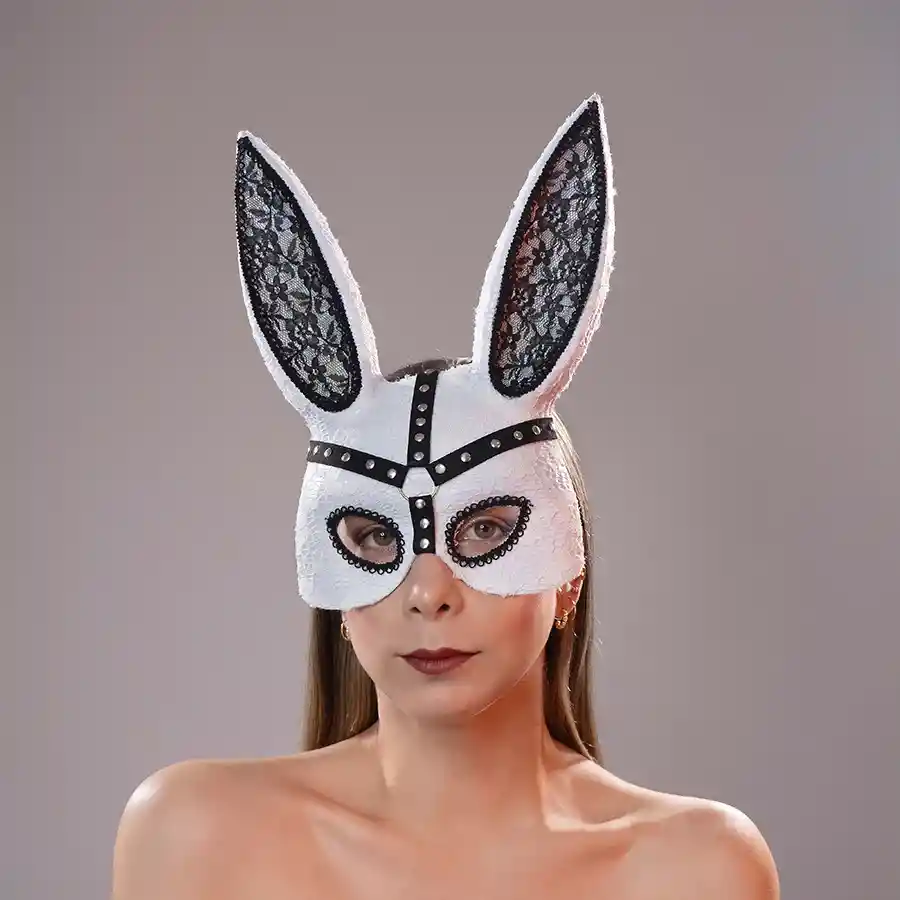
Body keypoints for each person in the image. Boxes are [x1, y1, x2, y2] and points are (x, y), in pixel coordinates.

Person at [111, 95, 779, 899]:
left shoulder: (694, 869)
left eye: (488, 529)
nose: (428, 593)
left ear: (569, 577)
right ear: (335, 591)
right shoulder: (197, 836)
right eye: (373, 539)